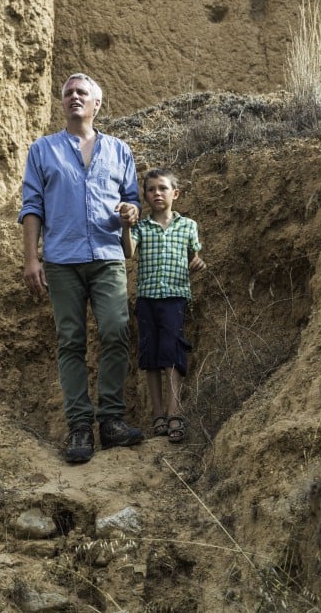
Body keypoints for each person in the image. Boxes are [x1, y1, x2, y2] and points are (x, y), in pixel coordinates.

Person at [19, 72, 145, 463]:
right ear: (63, 104)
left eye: (82, 93)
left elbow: (133, 202)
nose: (74, 97)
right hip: (61, 260)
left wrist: (131, 211)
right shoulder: (43, 150)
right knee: (70, 341)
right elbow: (31, 206)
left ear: (96, 105)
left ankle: (110, 421)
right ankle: (79, 427)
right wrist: (31, 258)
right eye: (68, 93)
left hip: (108, 256)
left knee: (115, 330)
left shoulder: (120, 150)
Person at [121, 168, 205, 443]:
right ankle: (157, 413)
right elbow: (128, 252)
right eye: (151, 189)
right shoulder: (142, 227)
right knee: (150, 355)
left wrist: (198, 263)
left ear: (175, 193)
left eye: (163, 188)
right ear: (144, 196)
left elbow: (196, 257)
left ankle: (174, 412)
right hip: (147, 299)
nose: (157, 193)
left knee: (171, 353)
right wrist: (126, 226)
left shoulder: (188, 226)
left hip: (174, 298)